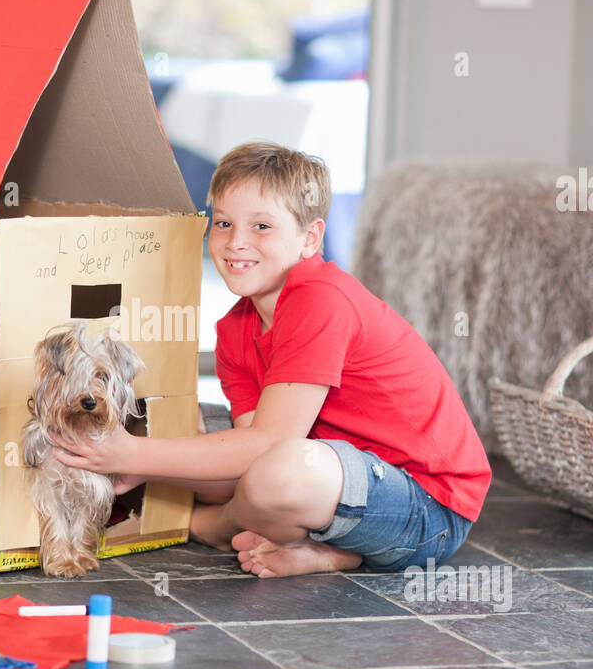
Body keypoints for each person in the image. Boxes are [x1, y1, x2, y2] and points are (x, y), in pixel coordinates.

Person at [51, 141, 491, 578]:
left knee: (276, 476)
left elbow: (268, 449)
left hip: (430, 507)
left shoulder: (320, 299)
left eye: (261, 226)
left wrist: (133, 456)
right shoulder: (234, 330)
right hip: (333, 474)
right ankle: (322, 549)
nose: (236, 242)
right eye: (223, 223)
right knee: (190, 428)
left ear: (310, 238)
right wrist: (142, 458)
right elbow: (243, 456)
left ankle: (221, 528)